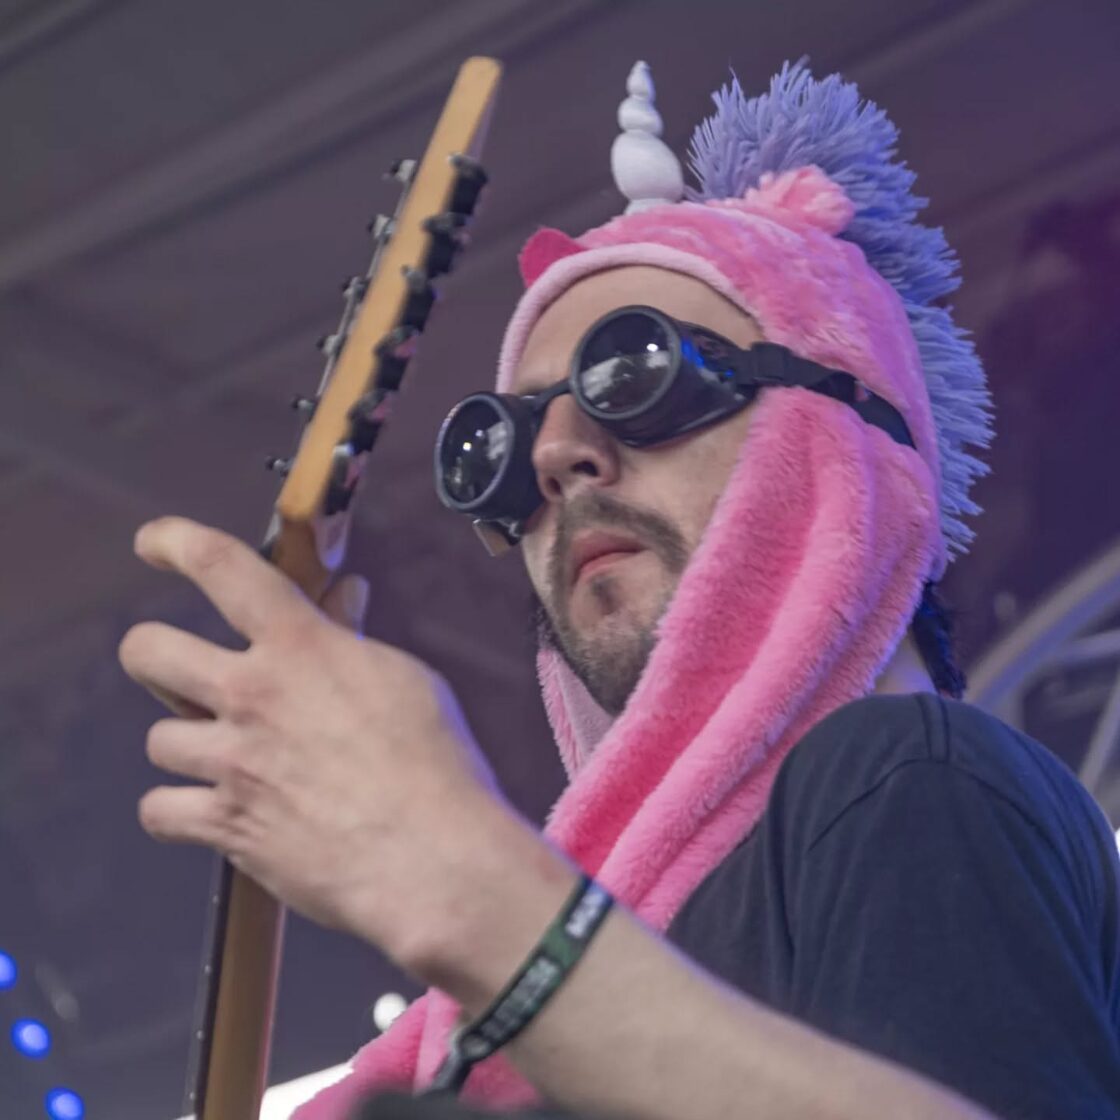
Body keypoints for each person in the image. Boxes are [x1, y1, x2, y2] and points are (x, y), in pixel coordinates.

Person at [119, 62, 1120, 1120]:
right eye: (503, 444)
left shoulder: (905, 772)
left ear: (832, 433)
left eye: (635, 370)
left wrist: (474, 888)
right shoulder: (523, 1022)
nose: (554, 455)